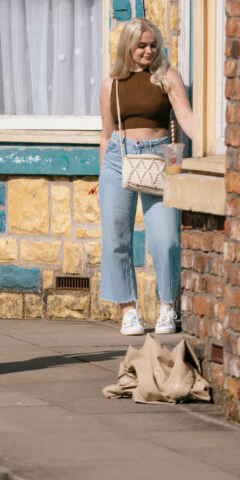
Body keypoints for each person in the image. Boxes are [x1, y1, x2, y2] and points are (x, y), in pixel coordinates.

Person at [98, 18, 194, 335]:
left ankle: (168, 307)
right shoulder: (111, 84)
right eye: (142, 46)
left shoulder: (167, 78)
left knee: (166, 238)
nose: (148, 51)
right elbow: (106, 134)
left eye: (153, 45)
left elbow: (186, 120)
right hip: (118, 158)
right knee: (116, 236)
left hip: (160, 156)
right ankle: (128, 310)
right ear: (128, 46)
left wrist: (213, 145)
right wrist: (101, 176)